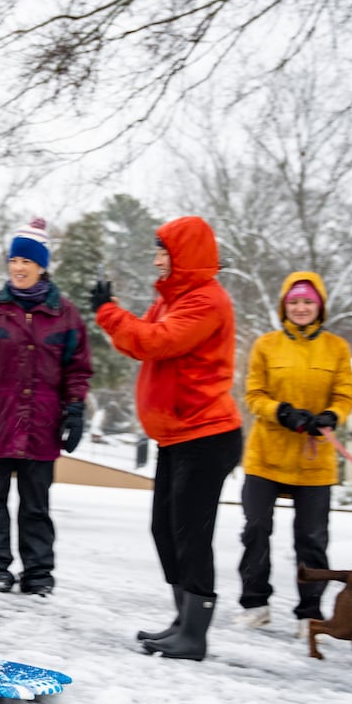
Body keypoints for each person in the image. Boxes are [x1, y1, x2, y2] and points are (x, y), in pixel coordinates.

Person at [91, 216, 243, 660]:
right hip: (177, 435)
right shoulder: (174, 299)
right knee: (166, 529)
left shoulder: (207, 301)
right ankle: (183, 621)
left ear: (185, 256)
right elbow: (135, 342)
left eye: (164, 251)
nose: (157, 259)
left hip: (206, 434)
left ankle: (195, 634)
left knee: (190, 532)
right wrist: (114, 317)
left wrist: (109, 312)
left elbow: (155, 342)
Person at [0, 217, 93, 596]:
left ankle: (38, 574)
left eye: (27, 262)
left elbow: (77, 369)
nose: (18, 268)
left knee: (36, 506)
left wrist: (76, 410)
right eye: (14, 261)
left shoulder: (65, 316)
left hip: (41, 425)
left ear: (42, 265)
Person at [235, 273, 352, 637]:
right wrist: (282, 412)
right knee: (256, 529)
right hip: (266, 456)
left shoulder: (336, 348)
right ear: (284, 306)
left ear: (319, 306)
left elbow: (345, 395)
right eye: (294, 302)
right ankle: (256, 604)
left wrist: (332, 416)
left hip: (314, 460)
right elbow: (254, 394)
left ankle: (310, 613)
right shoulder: (266, 346)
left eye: (307, 302)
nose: (301, 308)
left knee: (312, 539)